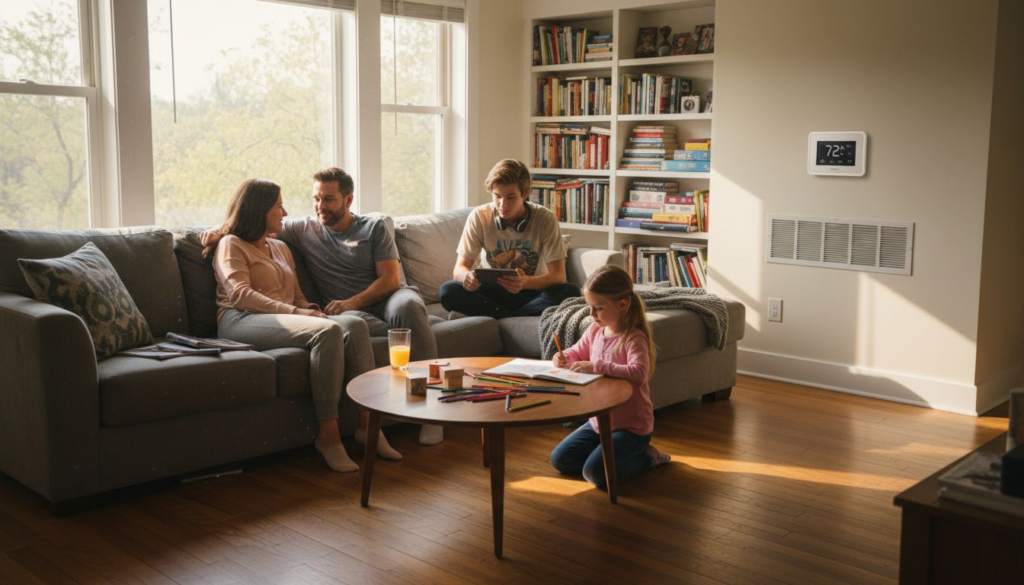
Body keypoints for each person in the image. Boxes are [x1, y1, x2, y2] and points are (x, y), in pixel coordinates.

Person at [203, 168, 444, 446]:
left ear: (348, 200)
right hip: (346, 313)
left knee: (410, 308)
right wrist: (220, 232)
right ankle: (366, 425)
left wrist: (343, 303)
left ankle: (428, 412)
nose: (320, 206)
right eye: (316, 198)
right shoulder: (301, 229)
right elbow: (249, 224)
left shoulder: (373, 227)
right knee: (355, 326)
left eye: (328, 199)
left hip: (388, 297)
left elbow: (390, 279)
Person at [549, 265, 671, 487]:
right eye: (590, 307)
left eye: (598, 308)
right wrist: (563, 356)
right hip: (598, 423)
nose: (592, 314)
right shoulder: (595, 330)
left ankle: (649, 457)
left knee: (596, 475)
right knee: (560, 460)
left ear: (622, 305)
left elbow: (639, 373)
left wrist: (598, 366)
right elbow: (577, 352)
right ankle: (605, 455)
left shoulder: (633, 337)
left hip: (631, 429)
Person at [439, 159, 580, 318]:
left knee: (570, 292)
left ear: (525, 193)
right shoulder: (479, 217)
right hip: (492, 293)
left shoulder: (545, 218)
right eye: (497, 196)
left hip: (531, 291)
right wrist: (467, 277)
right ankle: (514, 318)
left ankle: (501, 318)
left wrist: (525, 282)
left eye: (511, 197)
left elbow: (558, 276)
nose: (502, 204)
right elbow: (459, 269)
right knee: (448, 290)